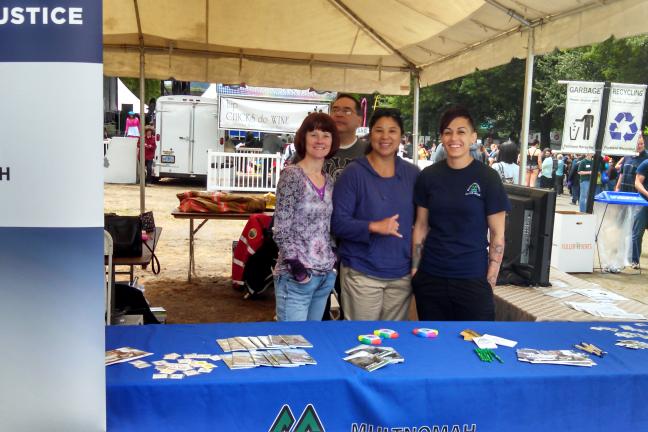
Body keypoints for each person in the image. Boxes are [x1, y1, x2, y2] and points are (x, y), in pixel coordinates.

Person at [411, 106, 510, 321]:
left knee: (477, 346)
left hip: (472, 278)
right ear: (441, 137)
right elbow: (421, 225)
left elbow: (497, 234)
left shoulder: (488, 178)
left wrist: (490, 279)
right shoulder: (428, 177)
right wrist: (415, 269)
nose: (454, 138)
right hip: (431, 278)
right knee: (434, 345)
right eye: (448, 132)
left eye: (461, 131)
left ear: (473, 136)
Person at [332, 108, 419, 321]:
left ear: (401, 137)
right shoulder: (353, 173)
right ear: (370, 134)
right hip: (362, 272)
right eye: (379, 130)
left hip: (401, 274)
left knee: (390, 342)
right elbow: (337, 223)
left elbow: (423, 223)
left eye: (392, 131)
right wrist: (374, 226)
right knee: (362, 341)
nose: (385, 137)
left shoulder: (413, 174)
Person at [272, 113, 340, 321]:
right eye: (314, 134)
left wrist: (333, 262)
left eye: (326, 135)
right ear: (303, 138)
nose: (320, 140)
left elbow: (325, 226)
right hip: (296, 276)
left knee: (310, 341)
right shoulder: (292, 175)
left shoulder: (328, 181)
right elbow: (280, 228)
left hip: (323, 275)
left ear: (332, 141)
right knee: (291, 344)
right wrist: (297, 267)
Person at [323, 93, 369, 180]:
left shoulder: (370, 152)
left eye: (347, 111)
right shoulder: (315, 147)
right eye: (335, 110)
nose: (339, 114)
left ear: (359, 120)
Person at [632, 158, 648, 269]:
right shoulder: (646, 163)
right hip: (643, 202)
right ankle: (634, 260)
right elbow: (637, 183)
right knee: (637, 233)